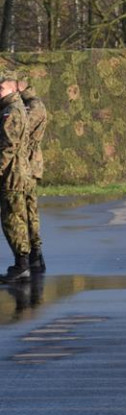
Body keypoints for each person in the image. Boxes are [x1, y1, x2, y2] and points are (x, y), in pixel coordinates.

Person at [0, 71, 31, 283]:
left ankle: (22, 265)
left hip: (12, 173)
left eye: (1, 88)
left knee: (12, 218)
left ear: (13, 88)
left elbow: (8, 146)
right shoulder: (14, 108)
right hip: (17, 171)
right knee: (15, 217)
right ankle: (22, 264)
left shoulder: (11, 111)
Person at [17, 77, 46, 271]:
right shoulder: (24, 104)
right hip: (24, 162)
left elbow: (22, 132)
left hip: (28, 163)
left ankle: (34, 255)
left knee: (28, 210)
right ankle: (33, 257)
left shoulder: (33, 106)